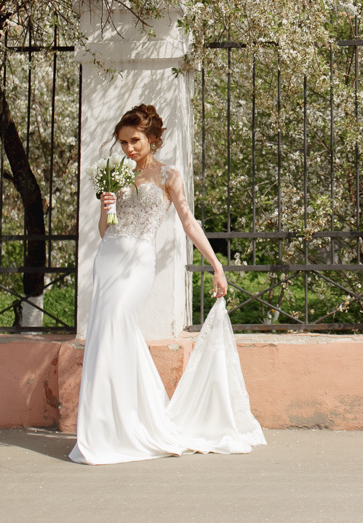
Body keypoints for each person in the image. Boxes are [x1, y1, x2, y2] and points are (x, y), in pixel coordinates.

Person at [69, 104, 265, 465]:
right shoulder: (115, 174)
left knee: (117, 326)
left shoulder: (168, 176)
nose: (129, 148)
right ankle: (108, 427)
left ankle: (132, 423)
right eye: (123, 142)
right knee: (107, 335)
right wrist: (105, 206)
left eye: (135, 141)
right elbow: (105, 231)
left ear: (152, 139)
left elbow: (189, 223)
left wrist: (216, 265)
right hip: (109, 258)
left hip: (139, 263)